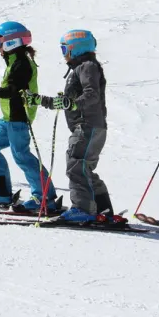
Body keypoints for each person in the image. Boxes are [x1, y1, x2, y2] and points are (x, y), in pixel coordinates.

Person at [29, 29, 125, 224]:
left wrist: (71, 104)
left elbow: (91, 95)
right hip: (90, 126)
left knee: (76, 166)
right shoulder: (82, 67)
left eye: (65, 49)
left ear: (75, 48)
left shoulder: (87, 66)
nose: (63, 53)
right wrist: (40, 100)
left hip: (87, 126)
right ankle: (102, 208)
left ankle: (83, 209)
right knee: (83, 167)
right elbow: (68, 101)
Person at [0, 21, 57, 208]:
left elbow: (13, 90)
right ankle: (0, 191)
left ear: (12, 41)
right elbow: (9, 92)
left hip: (19, 116)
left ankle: (45, 197)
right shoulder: (13, 61)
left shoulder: (22, 63)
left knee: (21, 155)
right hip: (9, 116)